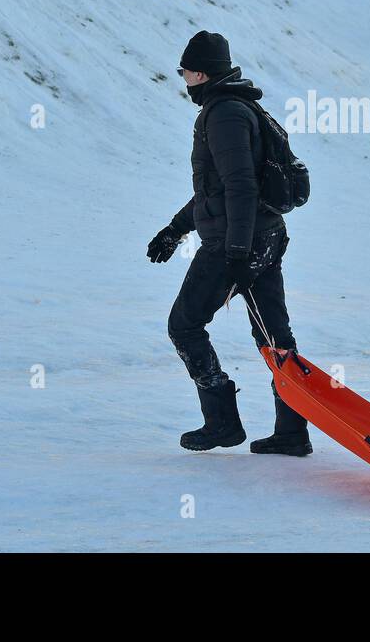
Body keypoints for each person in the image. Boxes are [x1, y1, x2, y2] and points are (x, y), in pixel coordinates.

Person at [147, 31, 311, 457]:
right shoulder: (240, 107)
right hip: (266, 235)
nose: (182, 78)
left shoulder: (223, 116)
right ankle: (292, 431)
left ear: (200, 72)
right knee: (275, 334)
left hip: (237, 242)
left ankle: (221, 422)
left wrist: (236, 252)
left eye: (184, 70)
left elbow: (238, 186)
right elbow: (217, 190)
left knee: (184, 325)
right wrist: (175, 228)